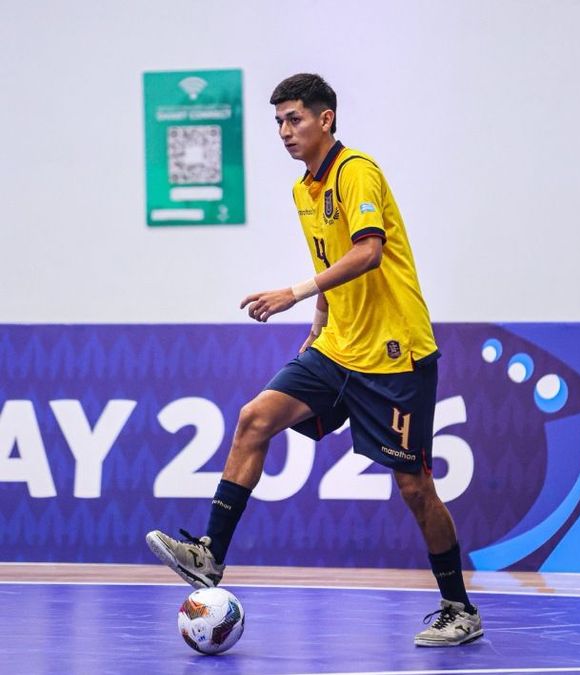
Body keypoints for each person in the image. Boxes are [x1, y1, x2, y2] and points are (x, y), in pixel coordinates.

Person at [146, 73, 484, 646]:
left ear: (326, 119)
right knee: (254, 418)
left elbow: (368, 250)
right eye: (278, 121)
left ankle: (459, 607)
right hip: (335, 350)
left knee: (414, 487)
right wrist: (320, 319)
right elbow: (330, 253)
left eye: (294, 118)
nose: (284, 131)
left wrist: (294, 293)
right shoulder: (304, 189)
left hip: (394, 355)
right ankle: (209, 555)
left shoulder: (357, 172)